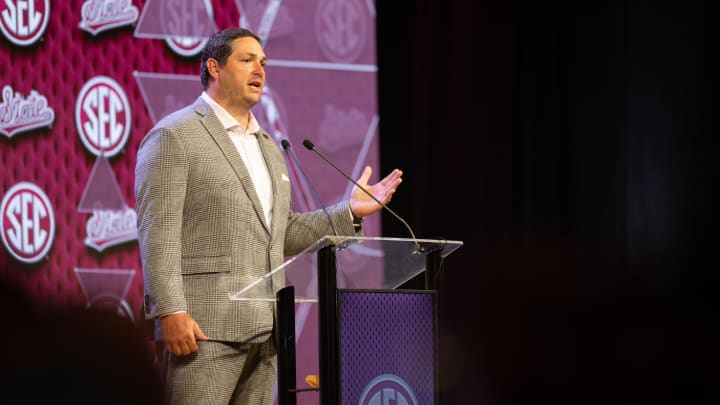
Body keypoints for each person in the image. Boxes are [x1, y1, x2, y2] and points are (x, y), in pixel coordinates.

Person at [134, 27, 403, 404]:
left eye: (263, 62)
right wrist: (171, 310)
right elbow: (157, 232)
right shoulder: (175, 136)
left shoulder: (268, 147)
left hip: (266, 332)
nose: (259, 69)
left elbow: (283, 231)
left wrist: (350, 211)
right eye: (246, 60)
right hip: (202, 331)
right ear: (215, 67)